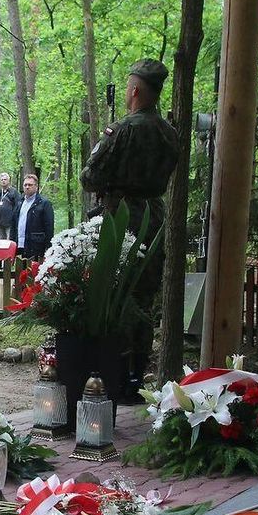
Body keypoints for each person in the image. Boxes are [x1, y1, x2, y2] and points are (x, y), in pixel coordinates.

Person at [80, 58, 180, 401]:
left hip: (121, 219)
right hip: (154, 218)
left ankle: (114, 377)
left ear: (135, 90)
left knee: (115, 295)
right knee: (143, 297)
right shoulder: (170, 133)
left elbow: (89, 176)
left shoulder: (123, 129)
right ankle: (138, 377)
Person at [11, 174, 55, 259]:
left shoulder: (44, 203)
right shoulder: (19, 202)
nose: (27, 187)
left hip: (36, 246)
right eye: (25, 185)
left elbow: (49, 226)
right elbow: (13, 223)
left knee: (34, 270)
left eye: (30, 185)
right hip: (19, 244)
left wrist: (48, 247)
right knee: (20, 270)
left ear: (36, 186)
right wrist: (12, 240)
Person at [0, 172, 22, 240]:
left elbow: (18, 207)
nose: (3, 181)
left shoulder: (14, 192)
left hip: (10, 223)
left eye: (5, 179)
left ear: (9, 181)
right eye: (2, 179)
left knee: (9, 243)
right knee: (0, 243)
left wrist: (15, 219)